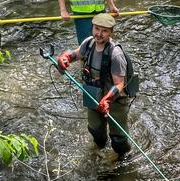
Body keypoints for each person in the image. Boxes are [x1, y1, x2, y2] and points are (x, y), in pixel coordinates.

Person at [56, 13, 131, 160]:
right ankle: (99, 151)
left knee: (118, 140)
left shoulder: (115, 54)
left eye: (104, 30)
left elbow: (119, 84)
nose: (99, 34)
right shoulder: (89, 43)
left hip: (114, 100)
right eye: (97, 29)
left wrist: (107, 100)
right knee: (95, 131)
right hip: (93, 94)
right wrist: (64, 57)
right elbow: (74, 54)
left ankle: (124, 158)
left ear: (111, 32)